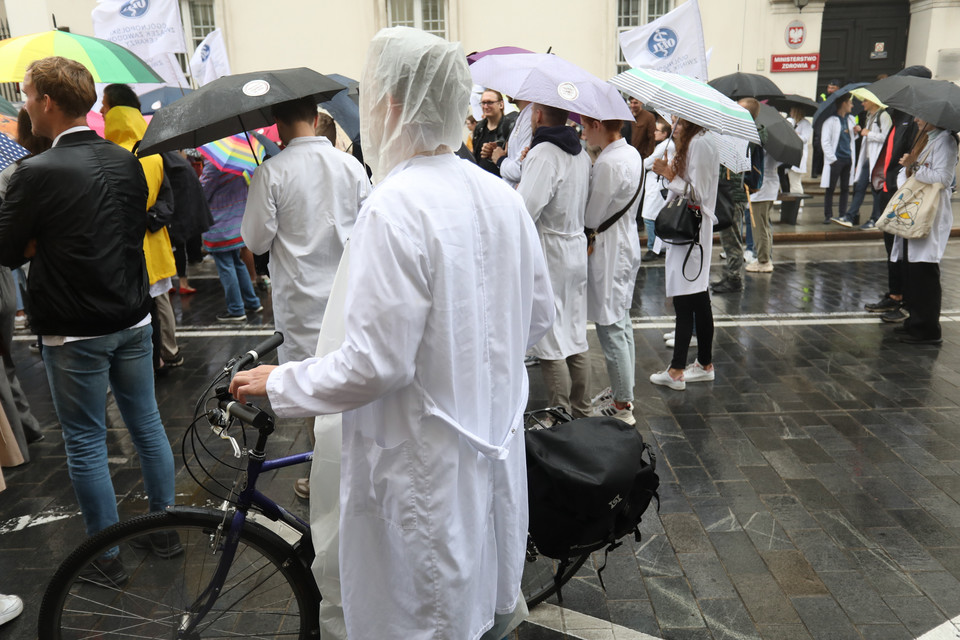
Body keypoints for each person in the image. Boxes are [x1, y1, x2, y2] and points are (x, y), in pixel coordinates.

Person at [229, 26, 554, 640]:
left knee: (421, 611)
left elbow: (376, 365)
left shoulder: (395, 204)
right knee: (473, 595)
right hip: (488, 445)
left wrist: (282, 381)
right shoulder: (500, 195)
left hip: (421, 460)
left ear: (396, 104)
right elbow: (538, 321)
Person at [0, 57, 175, 584]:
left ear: (47, 103)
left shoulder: (35, 173)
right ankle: (164, 528)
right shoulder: (124, 159)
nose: (25, 105)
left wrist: (39, 242)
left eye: (27, 95)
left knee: (84, 440)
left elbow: (8, 248)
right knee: (146, 425)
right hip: (131, 315)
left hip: (75, 326)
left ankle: (106, 555)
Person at [241, 97, 371, 364]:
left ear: (277, 124)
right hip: (346, 294)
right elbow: (369, 231)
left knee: (301, 383)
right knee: (344, 376)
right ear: (314, 119)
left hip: (297, 304)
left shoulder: (270, 172)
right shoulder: (352, 166)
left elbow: (257, 243)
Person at [517, 102, 592, 418]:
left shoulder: (544, 154)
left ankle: (560, 413)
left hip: (550, 251)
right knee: (574, 332)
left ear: (537, 116)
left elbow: (525, 208)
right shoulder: (581, 153)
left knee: (550, 335)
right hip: (574, 246)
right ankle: (582, 408)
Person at [102, 100, 183, 371]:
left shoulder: (113, 158)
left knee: (143, 305)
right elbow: (166, 197)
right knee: (162, 300)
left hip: (130, 242)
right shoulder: (154, 155)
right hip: (156, 238)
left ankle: (151, 357)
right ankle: (170, 351)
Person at [581, 115, 642, 425]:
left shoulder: (608, 163)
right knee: (622, 320)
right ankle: (623, 391)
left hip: (609, 248)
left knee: (611, 326)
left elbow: (591, 215)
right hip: (624, 242)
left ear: (597, 124)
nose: (581, 129)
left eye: (584, 124)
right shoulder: (630, 152)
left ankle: (621, 405)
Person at [649, 118, 718, 390]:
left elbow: (697, 193)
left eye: (677, 121)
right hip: (689, 230)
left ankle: (677, 369)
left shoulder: (701, 143)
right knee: (697, 298)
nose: (674, 126)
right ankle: (703, 363)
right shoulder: (695, 142)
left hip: (693, 230)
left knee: (686, 299)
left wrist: (669, 174)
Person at [887, 120, 957, 345]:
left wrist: (914, 166)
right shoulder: (929, 139)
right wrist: (909, 168)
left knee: (924, 269)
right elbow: (909, 173)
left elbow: (943, 179)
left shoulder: (946, 141)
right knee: (911, 268)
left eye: (920, 115)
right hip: (915, 208)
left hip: (930, 211)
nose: (916, 119)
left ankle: (927, 330)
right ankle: (914, 322)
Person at [200, 162, 263, 322]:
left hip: (220, 224)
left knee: (226, 266)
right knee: (237, 262)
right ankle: (252, 302)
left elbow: (203, 191)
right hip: (236, 221)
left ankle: (236, 309)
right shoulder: (239, 161)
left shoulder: (215, 165)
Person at [834, 98, 892, 227]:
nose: (862, 103)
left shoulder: (884, 116)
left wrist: (869, 133)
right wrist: (861, 131)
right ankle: (850, 217)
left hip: (878, 160)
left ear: (873, 102)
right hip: (867, 159)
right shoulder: (870, 116)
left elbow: (887, 138)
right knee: (859, 188)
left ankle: (875, 219)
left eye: (865, 101)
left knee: (876, 190)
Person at [740, 98, 781, 274]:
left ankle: (764, 260)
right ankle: (764, 257)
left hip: (763, 187)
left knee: (759, 225)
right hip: (768, 185)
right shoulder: (769, 135)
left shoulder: (760, 135)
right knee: (764, 224)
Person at [821, 93, 857, 224]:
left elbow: (851, 139)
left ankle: (842, 214)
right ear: (843, 104)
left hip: (848, 158)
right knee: (830, 188)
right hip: (836, 160)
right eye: (850, 103)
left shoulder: (851, 119)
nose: (852, 106)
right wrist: (833, 159)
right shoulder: (830, 121)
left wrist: (856, 132)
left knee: (845, 188)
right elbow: (825, 142)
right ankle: (828, 215)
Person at [641, 119, 674, 260]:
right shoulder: (666, 144)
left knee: (649, 217)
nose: (654, 132)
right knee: (653, 216)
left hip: (657, 185)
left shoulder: (665, 145)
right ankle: (657, 248)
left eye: (657, 130)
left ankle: (653, 249)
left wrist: (638, 163)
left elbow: (650, 162)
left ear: (665, 133)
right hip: (656, 184)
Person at [472, 89, 515, 176]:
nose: (486, 106)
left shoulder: (510, 127)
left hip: (501, 179)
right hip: (481, 178)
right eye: (483, 103)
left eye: (490, 102)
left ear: (501, 104)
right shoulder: (479, 128)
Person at [492, 98, 532, 188]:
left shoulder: (530, 116)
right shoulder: (524, 114)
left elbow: (520, 169)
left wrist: (500, 160)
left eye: (490, 102)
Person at [785, 106, 812, 195]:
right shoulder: (792, 122)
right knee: (791, 182)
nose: (790, 112)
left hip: (798, 156)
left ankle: (798, 204)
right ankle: (795, 204)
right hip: (790, 155)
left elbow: (804, 139)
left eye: (792, 110)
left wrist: (795, 134)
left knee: (795, 182)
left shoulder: (805, 124)